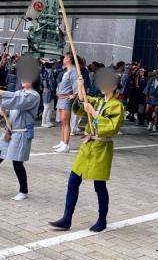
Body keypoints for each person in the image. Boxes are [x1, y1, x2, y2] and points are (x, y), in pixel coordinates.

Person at [48, 67, 125, 234]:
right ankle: (67, 218)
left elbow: (110, 127)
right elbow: (83, 101)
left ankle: (102, 220)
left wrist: (94, 113)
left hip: (101, 148)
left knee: (99, 185)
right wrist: (80, 85)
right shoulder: (98, 101)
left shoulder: (117, 106)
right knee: (73, 182)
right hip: (87, 147)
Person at [0, 56, 42, 200]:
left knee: (17, 164)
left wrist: (1, 92)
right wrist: (4, 112)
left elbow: (18, 102)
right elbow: (11, 104)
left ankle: (23, 191)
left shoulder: (34, 96)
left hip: (21, 133)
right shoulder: (19, 92)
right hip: (9, 132)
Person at [52, 54, 79, 152]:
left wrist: (74, 95)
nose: (63, 59)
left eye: (65, 57)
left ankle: (66, 145)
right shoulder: (66, 71)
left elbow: (76, 84)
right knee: (62, 122)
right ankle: (62, 141)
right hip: (61, 98)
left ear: (68, 59)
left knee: (66, 122)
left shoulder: (73, 70)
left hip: (67, 98)